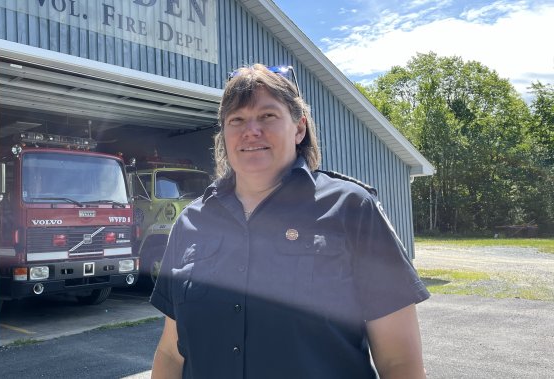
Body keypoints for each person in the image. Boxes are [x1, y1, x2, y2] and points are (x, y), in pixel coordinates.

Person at [149, 64, 430, 378]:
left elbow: (399, 362)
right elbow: (171, 353)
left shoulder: (352, 209)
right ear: (224, 134)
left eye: (267, 116)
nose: (250, 130)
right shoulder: (191, 223)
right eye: (236, 120)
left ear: (299, 128)